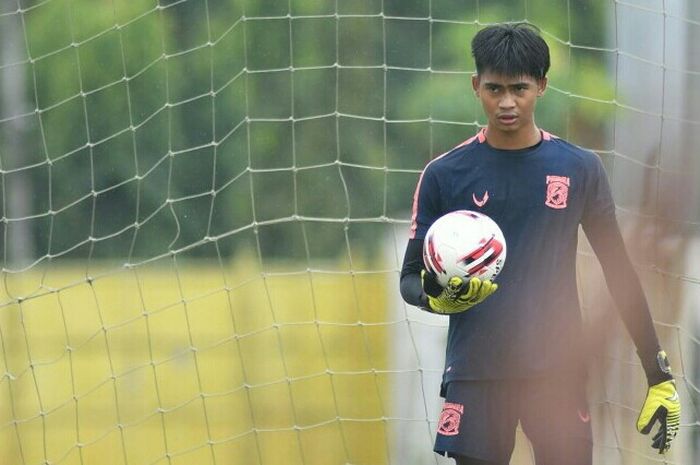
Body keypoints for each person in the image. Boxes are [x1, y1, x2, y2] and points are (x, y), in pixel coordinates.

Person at [399, 22, 680, 465]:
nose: (506, 102)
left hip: (556, 373)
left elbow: (619, 272)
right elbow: (409, 280)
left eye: (519, 88)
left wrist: (657, 373)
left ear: (542, 86)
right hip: (477, 373)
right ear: (476, 86)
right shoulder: (444, 174)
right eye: (494, 89)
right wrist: (440, 301)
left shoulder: (579, 168)